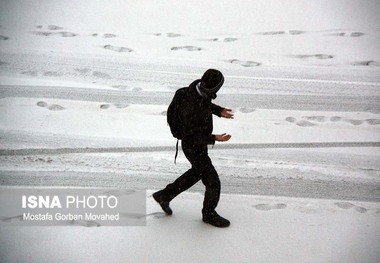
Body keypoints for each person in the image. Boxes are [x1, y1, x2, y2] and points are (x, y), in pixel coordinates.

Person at [153, 69, 234, 228]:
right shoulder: (192, 106)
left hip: (197, 144)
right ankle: (209, 214)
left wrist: (217, 110)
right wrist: (214, 138)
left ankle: (164, 195)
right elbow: (190, 135)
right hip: (193, 146)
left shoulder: (195, 90)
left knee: (196, 173)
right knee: (213, 182)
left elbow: (203, 103)